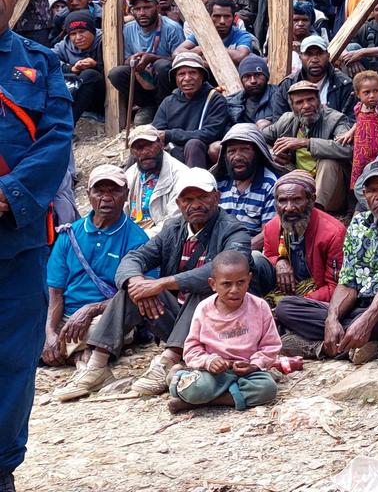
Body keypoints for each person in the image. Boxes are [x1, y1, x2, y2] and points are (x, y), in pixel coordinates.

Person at [53, 168, 254, 401]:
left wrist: (161, 284)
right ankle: (98, 366)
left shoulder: (234, 230)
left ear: (217, 197)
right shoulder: (173, 228)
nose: (195, 204)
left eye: (203, 197)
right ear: (178, 202)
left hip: (219, 328)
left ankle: (168, 361)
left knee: (209, 289)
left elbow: (221, 271)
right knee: (135, 288)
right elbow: (134, 259)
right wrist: (137, 283)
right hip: (178, 321)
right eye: (188, 199)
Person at [0, 0, 73, 492]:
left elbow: (56, 137)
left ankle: (2, 468)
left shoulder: (40, 60)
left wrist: (9, 194)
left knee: (12, 360)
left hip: (15, 239)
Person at [274, 159, 378, 363]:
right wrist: (331, 319)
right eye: (372, 190)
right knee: (286, 307)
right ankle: (352, 341)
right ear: (365, 195)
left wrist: (367, 320)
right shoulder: (360, 224)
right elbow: (347, 283)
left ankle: (321, 346)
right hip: (359, 307)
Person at [42, 165, 149, 368]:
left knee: (101, 329)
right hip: (67, 316)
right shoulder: (70, 234)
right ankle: (78, 353)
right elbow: (55, 291)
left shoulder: (137, 239)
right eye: (99, 191)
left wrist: (91, 309)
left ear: (126, 194)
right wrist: (50, 333)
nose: (106, 198)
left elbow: (138, 296)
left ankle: (69, 353)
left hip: (107, 316)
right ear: (88, 194)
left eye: (114, 191)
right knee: (24, 331)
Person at [167, 250, 280, 414]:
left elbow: (271, 346)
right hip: (213, 373)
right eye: (226, 284)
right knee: (195, 388)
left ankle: (200, 402)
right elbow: (192, 349)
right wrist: (209, 361)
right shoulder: (204, 309)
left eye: (241, 282)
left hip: (247, 373)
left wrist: (254, 364)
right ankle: (177, 377)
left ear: (249, 279)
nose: (234, 289)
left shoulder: (259, 307)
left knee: (267, 389)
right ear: (213, 284)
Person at [263, 80, 352, 215]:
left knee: (328, 161)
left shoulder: (335, 119)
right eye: (299, 102)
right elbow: (259, 138)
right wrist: (273, 152)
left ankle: (314, 211)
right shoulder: (287, 120)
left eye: (310, 100)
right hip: (297, 188)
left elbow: (347, 149)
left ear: (319, 101)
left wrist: (306, 143)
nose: (306, 106)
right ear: (292, 107)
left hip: (333, 193)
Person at [261, 171, 346, 307]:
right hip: (284, 289)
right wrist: (280, 261)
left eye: (297, 200)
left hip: (316, 294)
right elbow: (270, 254)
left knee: (285, 309)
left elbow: (335, 286)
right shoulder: (271, 227)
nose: (289, 208)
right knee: (255, 260)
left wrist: (298, 302)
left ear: (312, 200)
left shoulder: (333, 233)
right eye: (282, 200)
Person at [107, 0, 186, 124]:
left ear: (157, 7)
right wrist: (133, 61)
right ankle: (148, 106)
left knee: (162, 66)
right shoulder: (128, 29)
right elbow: (125, 59)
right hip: (142, 76)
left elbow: (181, 62)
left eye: (147, 7)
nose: (142, 13)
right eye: (137, 9)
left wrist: (153, 58)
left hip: (166, 82)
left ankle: (166, 108)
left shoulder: (172, 28)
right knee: (116, 73)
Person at [153, 52, 230, 168]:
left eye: (193, 73)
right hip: (173, 152)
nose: (187, 78)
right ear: (175, 78)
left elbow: (210, 133)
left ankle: (195, 184)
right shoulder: (168, 102)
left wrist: (170, 135)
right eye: (181, 74)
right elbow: (158, 130)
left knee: (193, 144)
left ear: (202, 76)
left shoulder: (215, 99)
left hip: (201, 153)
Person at [213, 123, 282, 244]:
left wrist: (237, 251)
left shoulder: (270, 185)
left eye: (245, 149)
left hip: (250, 253)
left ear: (258, 153)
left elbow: (267, 234)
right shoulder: (219, 183)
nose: (237, 157)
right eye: (231, 151)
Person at [271, 34, 356, 121]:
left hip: (335, 133)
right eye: (309, 54)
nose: (314, 59)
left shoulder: (344, 84)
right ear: (300, 58)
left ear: (328, 56)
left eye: (319, 54)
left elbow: (351, 121)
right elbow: (279, 121)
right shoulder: (288, 84)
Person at [125, 125, 188, 235]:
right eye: (139, 148)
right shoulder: (129, 175)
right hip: (131, 237)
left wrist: (137, 238)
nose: (145, 152)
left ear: (161, 144)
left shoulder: (181, 175)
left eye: (149, 145)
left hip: (162, 239)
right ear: (133, 153)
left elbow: (174, 222)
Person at [338, 70, 378, 193]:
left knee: (375, 178)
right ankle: (356, 204)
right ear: (357, 94)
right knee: (359, 180)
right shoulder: (358, 108)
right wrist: (350, 132)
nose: (372, 95)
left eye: (375, 91)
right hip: (360, 153)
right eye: (367, 92)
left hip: (377, 153)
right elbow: (359, 122)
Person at [53, 11, 105, 124]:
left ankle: (67, 124)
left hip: (104, 97)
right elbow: (48, 61)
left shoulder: (105, 41)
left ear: (92, 30)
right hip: (77, 96)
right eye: (73, 34)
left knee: (89, 74)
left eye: (82, 31)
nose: (78, 37)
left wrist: (96, 65)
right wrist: (72, 69)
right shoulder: (64, 45)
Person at [176, 0, 256, 66]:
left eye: (227, 16)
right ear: (209, 17)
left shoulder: (242, 36)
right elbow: (176, 53)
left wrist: (205, 49)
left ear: (234, 18)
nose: (222, 21)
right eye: (217, 16)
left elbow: (240, 57)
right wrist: (201, 59)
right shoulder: (202, 34)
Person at [226, 55, 278, 129]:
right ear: (241, 80)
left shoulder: (280, 96)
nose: (253, 81)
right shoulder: (232, 102)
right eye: (247, 76)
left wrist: (272, 124)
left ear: (267, 77)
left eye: (258, 75)